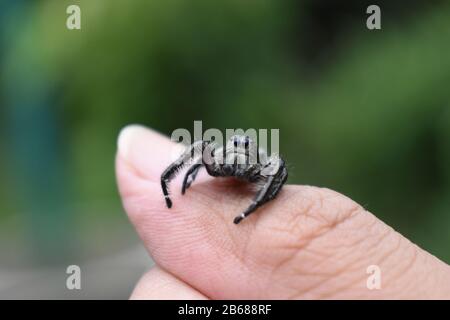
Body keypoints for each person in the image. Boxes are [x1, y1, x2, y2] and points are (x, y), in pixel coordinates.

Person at [116, 124, 450, 299]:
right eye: (231, 147)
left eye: (244, 147)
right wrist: (173, 182)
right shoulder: (211, 156)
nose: (237, 151)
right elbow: (195, 154)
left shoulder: (262, 163)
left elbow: (276, 169)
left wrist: (254, 207)